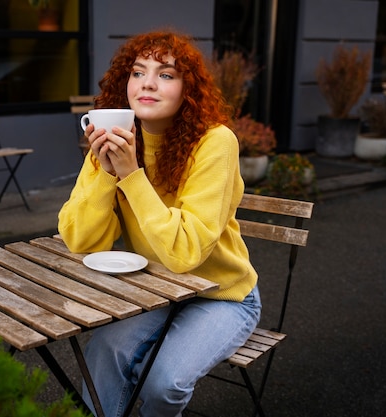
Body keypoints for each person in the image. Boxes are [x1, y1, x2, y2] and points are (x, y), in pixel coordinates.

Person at [57, 30, 262, 417]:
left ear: (189, 89)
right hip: (155, 286)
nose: (148, 83)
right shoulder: (115, 138)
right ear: (125, 83)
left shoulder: (215, 143)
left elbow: (185, 252)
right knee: (103, 352)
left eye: (166, 75)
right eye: (138, 72)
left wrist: (132, 174)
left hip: (221, 295)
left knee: (163, 382)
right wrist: (106, 170)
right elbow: (81, 240)